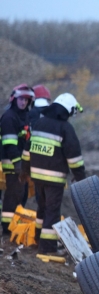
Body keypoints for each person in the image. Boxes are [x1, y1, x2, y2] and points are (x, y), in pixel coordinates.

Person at [21, 93, 86, 254]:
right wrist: (80, 177)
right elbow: (74, 157)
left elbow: (27, 150)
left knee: (42, 209)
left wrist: (24, 170)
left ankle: (38, 239)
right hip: (54, 179)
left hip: (37, 177)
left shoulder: (40, 123)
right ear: (68, 110)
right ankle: (48, 248)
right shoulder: (65, 128)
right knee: (52, 211)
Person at [1, 84, 35, 234]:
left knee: (21, 195)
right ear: (14, 99)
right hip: (12, 164)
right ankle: (7, 230)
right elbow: (10, 145)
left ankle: (15, 227)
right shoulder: (9, 117)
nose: (23, 102)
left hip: (21, 164)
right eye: (21, 99)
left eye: (26, 100)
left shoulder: (24, 116)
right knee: (12, 196)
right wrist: (18, 164)